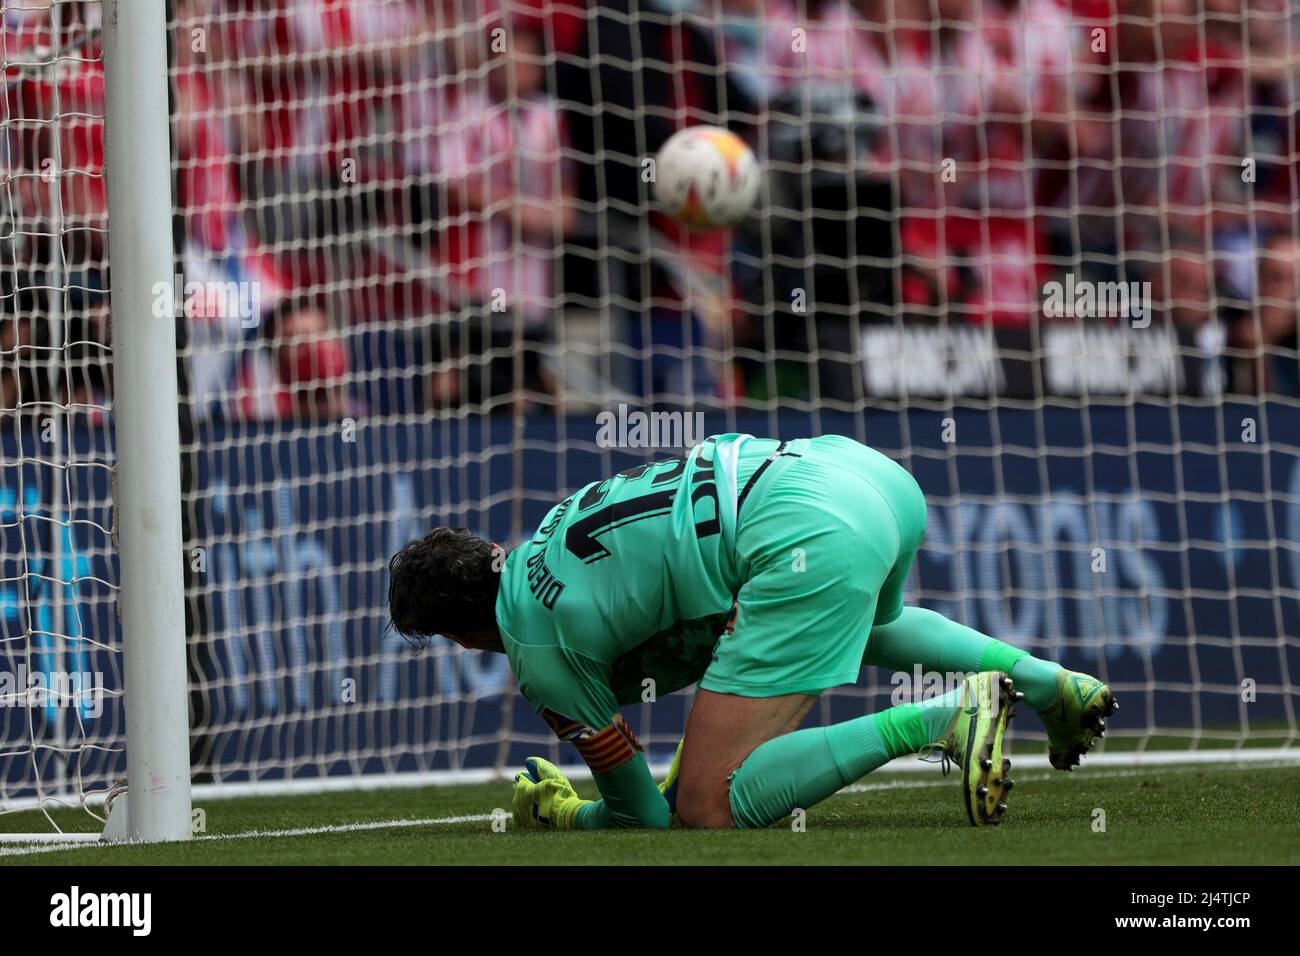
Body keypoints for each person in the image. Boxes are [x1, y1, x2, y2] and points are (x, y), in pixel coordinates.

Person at [388, 434, 1117, 829]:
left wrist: (566, 812)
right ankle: (1051, 684)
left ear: (460, 637)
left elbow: (645, 815)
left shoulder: (536, 647)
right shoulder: (549, 530)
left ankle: (946, 717)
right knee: (875, 624)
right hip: (858, 473)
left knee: (707, 807)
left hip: (802, 536)